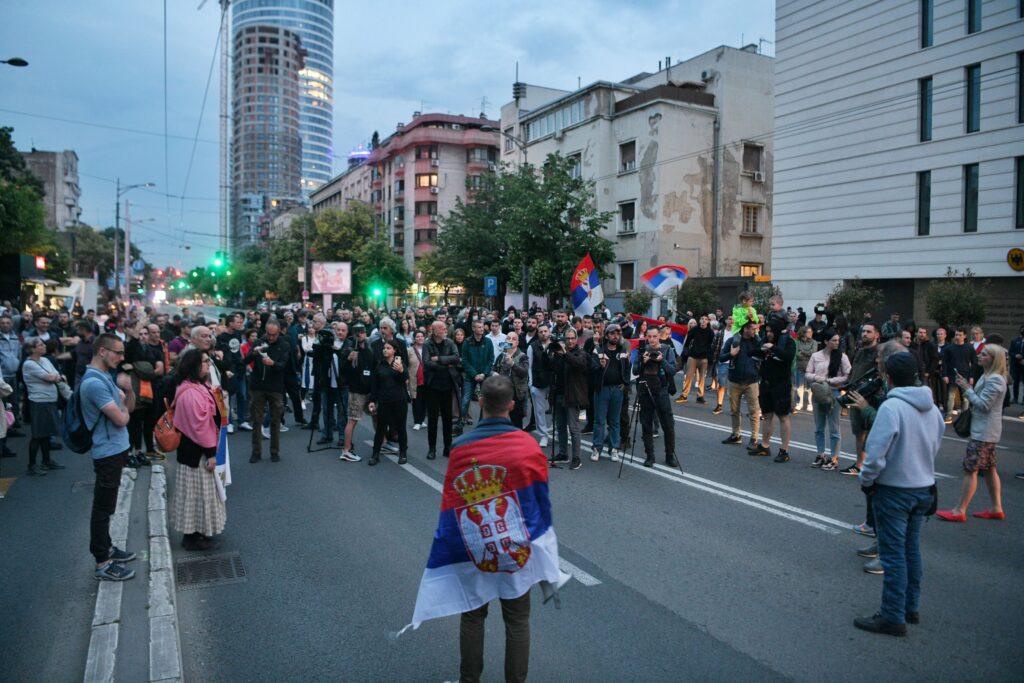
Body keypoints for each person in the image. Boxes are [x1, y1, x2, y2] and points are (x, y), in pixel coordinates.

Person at [854, 352, 943, 637]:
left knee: (893, 556)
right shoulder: (933, 408)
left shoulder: (892, 408)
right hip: (924, 487)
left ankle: (892, 616)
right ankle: (909, 608)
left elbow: (876, 454)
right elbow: (935, 445)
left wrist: (866, 481)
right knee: (911, 550)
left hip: (895, 490)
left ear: (889, 378)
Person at [80, 333, 137, 581]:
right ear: (102, 351)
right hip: (107, 453)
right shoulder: (94, 383)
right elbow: (122, 418)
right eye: (118, 352)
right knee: (102, 508)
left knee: (108, 505)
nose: (122, 357)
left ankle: (109, 548)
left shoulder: (105, 377)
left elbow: (129, 407)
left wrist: (128, 390)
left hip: (116, 450)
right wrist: (123, 401)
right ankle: (102, 562)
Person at [937, 344, 1009, 522]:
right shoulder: (990, 376)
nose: (979, 356)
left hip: (983, 433)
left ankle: (959, 510)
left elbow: (984, 405)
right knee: (990, 469)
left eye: (984, 354)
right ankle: (996, 507)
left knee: (971, 470)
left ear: (993, 359)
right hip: (986, 432)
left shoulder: (995, 380)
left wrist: (966, 389)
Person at [169, 349, 227, 551]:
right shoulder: (191, 393)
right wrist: (211, 454)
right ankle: (192, 537)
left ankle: (198, 533)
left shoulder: (198, 386)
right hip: (197, 453)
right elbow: (200, 427)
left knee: (199, 495)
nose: (208, 364)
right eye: (204, 361)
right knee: (196, 496)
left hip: (197, 451)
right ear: (194, 365)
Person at [244, 320, 290, 463]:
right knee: (256, 420)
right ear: (265, 331)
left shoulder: (284, 344)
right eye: (268, 334)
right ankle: (256, 452)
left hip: (275, 388)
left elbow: (284, 366)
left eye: (274, 335)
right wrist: (254, 352)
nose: (270, 338)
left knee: (275, 421)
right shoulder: (259, 341)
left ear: (279, 332)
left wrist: (273, 364)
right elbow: (246, 360)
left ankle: (274, 452)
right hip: (258, 386)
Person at [633, 327, 678, 468]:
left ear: (659, 337)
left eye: (654, 336)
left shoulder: (667, 350)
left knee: (668, 425)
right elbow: (634, 370)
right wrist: (643, 362)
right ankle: (649, 456)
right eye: (649, 336)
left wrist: (661, 360)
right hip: (645, 391)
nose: (652, 339)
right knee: (646, 424)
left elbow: (672, 370)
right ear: (646, 337)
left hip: (661, 391)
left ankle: (669, 455)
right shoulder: (643, 349)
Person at [806, 330, 851, 470]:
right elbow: (807, 373)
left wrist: (830, 380)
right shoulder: (816, 356)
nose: (836, 343)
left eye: (838, 340)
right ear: (826, 342)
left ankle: (834, 458)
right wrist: (816, 378)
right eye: (833, 340)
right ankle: (820, 454)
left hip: (834, 393)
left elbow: (847, 375)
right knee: (819, 427)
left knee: (834, 428)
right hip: (818, 393)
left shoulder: (842, 357)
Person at [752, 317, 795, 463]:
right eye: (767, 331)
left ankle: (784, 450)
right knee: (767, 415)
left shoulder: (788, 342)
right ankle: (764, 446)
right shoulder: (765, 339)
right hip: (766, 383)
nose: (768, 333)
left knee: (783, 416)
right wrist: (761, 349)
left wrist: (773, 348)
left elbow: (788, 357)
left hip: (781, 384)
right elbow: (751, 352)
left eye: (771, 331)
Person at [21, 338, 66, 476]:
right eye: (40, 345)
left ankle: (46, 461)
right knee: (38, 434)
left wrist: (57, 376)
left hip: (49, 401)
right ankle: (32, 465)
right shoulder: (29, 364)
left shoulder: (45, 360)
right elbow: (50, 377)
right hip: (39, 402)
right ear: (32, 349)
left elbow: (55, 373)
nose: (44, 346)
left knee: (46, 433)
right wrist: (57, 377)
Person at [845, 322, 882, 475]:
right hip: (855, 396)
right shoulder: (859, 351)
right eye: (863, 331)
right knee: (859, 432)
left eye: (868, 331)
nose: (865, 334)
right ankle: (859, 465)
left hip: (871, 398)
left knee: (874, 433)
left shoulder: (880, 352)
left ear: (876, 335)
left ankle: (872, 465)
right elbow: (853, 372)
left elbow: (880, 376)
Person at [550, 328, 589, 470]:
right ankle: (563, 453)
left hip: (572, 395)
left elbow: (579, 365)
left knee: (573, 428)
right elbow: (551, 367)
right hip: (559, 393)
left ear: (576, 339)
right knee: (560, 426)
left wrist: (565, 354)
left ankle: (577, 458)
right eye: (567, 339)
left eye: (572, 338)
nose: (570, 341)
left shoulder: (581, 353)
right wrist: (550, 351)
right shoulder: (559, 353)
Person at [720, 320, 762, 449]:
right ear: (745, 329)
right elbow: (721, 357)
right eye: (752, 329)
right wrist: (730, 354)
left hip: (752, 381)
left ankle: (754, 438)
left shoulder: (757, 341)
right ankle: (736, 434)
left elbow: (764, 351)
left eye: (755, 329)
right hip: (734, 380)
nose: (755, 331)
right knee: (734, 410)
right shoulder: (733, 341)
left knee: (754, 411)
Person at [367, 339, 409, 466]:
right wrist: (372, 401)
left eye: (388, 348)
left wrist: (401, 371)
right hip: (384, 401)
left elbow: (405, 380)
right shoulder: (380, 365)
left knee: (401, 427)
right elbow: (375, 385)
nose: (385, 350)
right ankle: (375, 454)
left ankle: (403, 453)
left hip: (399, 400)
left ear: (394, 350)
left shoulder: (400, 363)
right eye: (384, 348)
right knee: (381, 428)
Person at [591, 323, 629, 462]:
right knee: (599, 420)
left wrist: (625, 383)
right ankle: (597, 448)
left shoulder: (623, 350)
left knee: (615, 421)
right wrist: (600, 367)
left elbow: (627, 368)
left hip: (617, 390)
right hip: (602, 389)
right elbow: (592, 369)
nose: (615, 336)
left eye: (618, 333)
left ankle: (614, 448)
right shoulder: (598, 351)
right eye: (612, 333)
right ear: (606, 336)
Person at [422, 321, 460, 460]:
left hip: (447, 384)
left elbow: (456, 358)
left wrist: (439, 359)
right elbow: (426, 363)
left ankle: (447, 447)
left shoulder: (449, 342)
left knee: (447, 418)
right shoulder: (427, 344)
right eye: (442, 328)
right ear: (435, 331)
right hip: (432, 385)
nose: (445, 330)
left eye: (445, 328)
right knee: (432, 419)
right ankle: (432, 449)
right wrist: (445, 365)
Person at [339, 324, 371, 463]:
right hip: (356, 391)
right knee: (353, 420)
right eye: (357, 333)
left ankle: (384, 443)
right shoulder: (349, 348)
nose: (360, 335)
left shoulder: (369, 349)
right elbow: (342, 370)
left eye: (362, 332)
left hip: (368, 391)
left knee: (377, 415)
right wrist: (348, 359)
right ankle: (346, 450)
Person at [491, 331, 529, 429]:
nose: (511, 341)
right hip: (503, 392)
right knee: (500, 422)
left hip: (516, 394)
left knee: (516, 422)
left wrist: (512, 364)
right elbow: (493, 369)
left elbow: (524, 372)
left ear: (517, 342)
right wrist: (494, 373)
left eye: (513, 339)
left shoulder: (522, 356)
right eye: (508, 338)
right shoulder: (501, 356)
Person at [460, 320, 494, 425]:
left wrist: (484, 373)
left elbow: (490, 359)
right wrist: (474, 374)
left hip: (485, 375)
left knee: (485, 401)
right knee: (465, 400)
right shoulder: (467, 342)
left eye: (482, 327)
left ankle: (481, 423)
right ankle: (461, 422)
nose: (482, 329)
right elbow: (465, 361)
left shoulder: (488, 342)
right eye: (479, 327)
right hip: (471, 376)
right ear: (473, 328)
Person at [942, 327, 977, 423]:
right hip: (952, 375)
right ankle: (948, 415)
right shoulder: (949, 348)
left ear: (965, 336)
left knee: (965, 398)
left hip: (965, 376)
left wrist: (971, 376)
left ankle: (964, 417)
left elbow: (974, 362)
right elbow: (944, 362)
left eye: (960, 335)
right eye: (956, 335)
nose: (957, 337)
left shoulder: (969, 347)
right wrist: (944, 375)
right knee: (950, 396)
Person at [678, 315, 713, 404]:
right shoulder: (694, 329)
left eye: (706, 319)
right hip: (693, 356)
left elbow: (710, 345)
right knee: (688, 377)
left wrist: (709, 357)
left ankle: (700, 397)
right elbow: (687, 341)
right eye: (702, 319)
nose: (704, 321)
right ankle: (684, 395)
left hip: (703, 358)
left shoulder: (710, 332)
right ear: (699, 320)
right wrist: (688, 351)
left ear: (708, 321)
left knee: (702, 379)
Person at [793, 326, 817, 413]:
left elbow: (813, 353)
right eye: (808, 332)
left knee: (810, 386)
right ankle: (800, 403)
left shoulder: (814, 342)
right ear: (803, 333)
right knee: (800, 385)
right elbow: (797, 354)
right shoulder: (798, 342)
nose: (810, 333)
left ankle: (810, 404)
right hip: (800, 366)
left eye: (811, 332)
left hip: (811, 367)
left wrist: (802, 352)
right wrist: (806, 353)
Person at [409, 329, 427, 430]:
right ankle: (417, 421)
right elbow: (407, 365)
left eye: (421, 336)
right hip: (415, 379)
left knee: (425, 400)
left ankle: (422, 420)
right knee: (416, 401)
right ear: (414, 338)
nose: (420, 338)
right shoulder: (410, 350)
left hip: (427, 378)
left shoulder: (427, 348)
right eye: (417, 337)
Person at [1007, 325, 1023, 405]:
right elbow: (1010, 352)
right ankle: (1015, 398)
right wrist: (1015, 355)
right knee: (1015, 381)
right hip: (1015, 364)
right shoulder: (1015, 341)